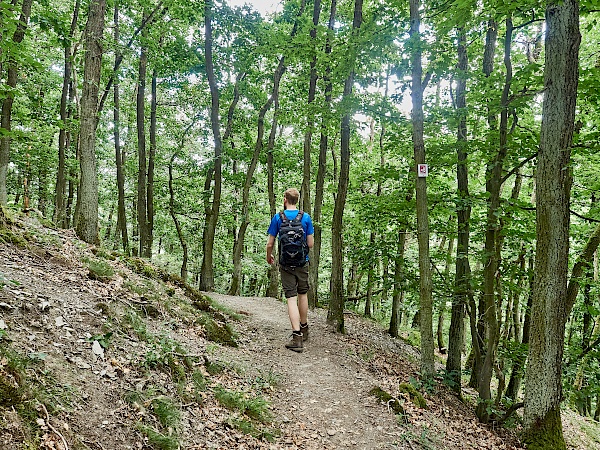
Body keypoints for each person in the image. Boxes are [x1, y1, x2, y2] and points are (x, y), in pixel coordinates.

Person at [266, 188, 314, 352]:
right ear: (297, 200)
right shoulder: (306, 217)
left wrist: (269, 256)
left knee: (291, 298)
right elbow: (310, 244)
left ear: (285, 199)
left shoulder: (278, 218)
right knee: (303, 294)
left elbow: (270, 243)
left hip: (285, 264)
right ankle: (305, 327)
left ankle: (296, 337)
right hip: (302, 263)